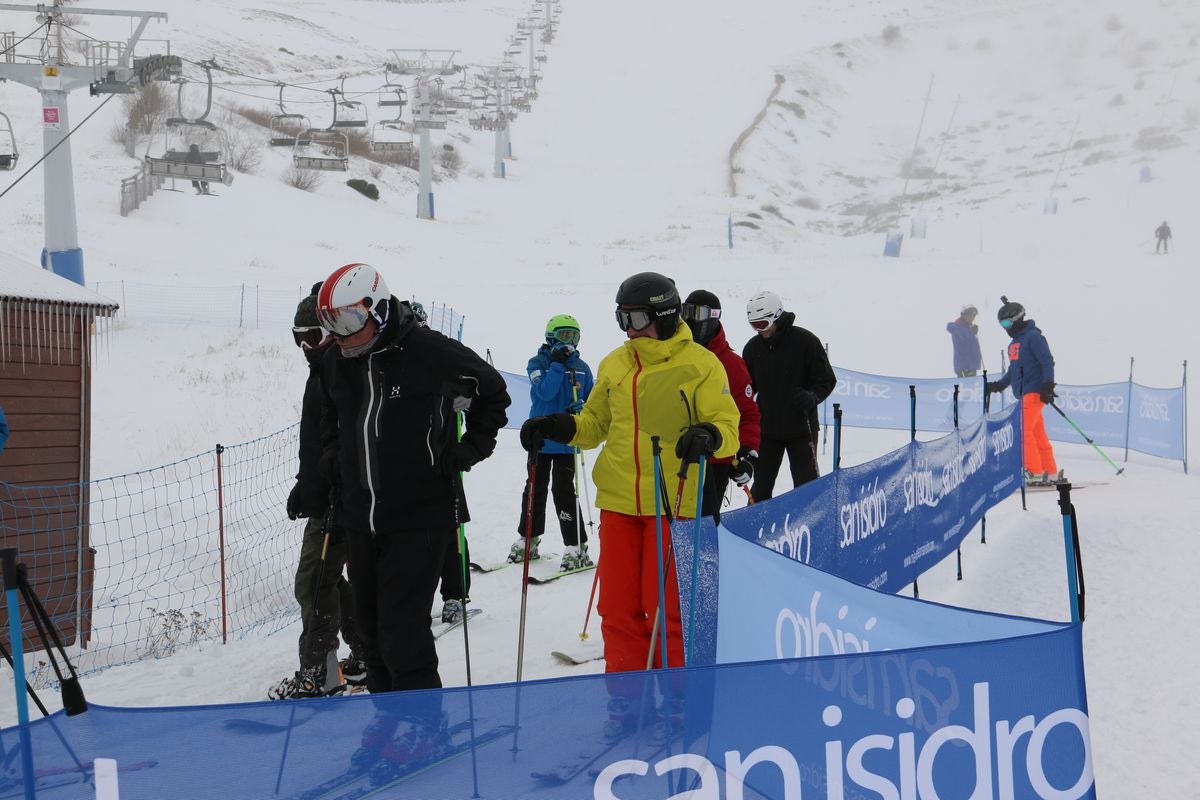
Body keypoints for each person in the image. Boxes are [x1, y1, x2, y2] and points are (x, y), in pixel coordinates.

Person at [519, 272, 739, 736]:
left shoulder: (700, 365)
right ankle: (629, 700)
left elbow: (728, 424)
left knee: (667, 609)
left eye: (635, 317)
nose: (627, 328)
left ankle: (680, 697)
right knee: (618, 607)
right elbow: (595, 423)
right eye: (621, 317)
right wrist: (559, 426)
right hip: (619, 500)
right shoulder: (615, 364)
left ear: (662, 314)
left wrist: (710, 435)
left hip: (673, 500)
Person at [317, 264, 509, 724]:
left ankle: (424, 725)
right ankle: (391, 719)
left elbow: (494, 395)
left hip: (420, 514)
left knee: (402, 630)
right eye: (330, 324)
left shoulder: (428, 352)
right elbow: (329, 419)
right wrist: (331, 467)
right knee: (369, 631)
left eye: (346, 320)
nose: (339, 335)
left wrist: (465, 452)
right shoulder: (334, 363)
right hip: (360, 517)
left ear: (378, 309)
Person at [270, 284, 365, 700]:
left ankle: (319, 673)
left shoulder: (338, 371)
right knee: (330, 578)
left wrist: (324, 491)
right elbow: (318, 442)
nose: (306, 347)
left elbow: (344, 444)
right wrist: (305, 486)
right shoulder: (323, 370)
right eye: (298, 338)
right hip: (328, 494)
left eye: (313, 337)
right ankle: (365, 655)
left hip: (341, 498)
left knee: (312, 583)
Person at [508, 314, 596, 571]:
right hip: (541, 439)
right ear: (551, 336)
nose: (570, 341)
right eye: (564, 334)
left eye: (574, 335)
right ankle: (529, 538)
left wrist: (584, 407)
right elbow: (544, 392)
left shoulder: (583, 368)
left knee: (563, 490)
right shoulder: (538, 363)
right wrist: (557, 365)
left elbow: (593, 401)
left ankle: (576, 545)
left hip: (568, 439)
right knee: (535, 488)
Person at [741, 290, 836, 501]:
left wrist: (812, 397)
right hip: (767, 430)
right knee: (761, 486)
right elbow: (748, 388)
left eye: (763, 324)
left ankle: (809, 526)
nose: (759, 330)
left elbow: (827, 380)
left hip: (801, 428)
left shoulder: (806, 342)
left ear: (776, 316)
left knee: (806, 486)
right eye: (754, 325)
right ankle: (754, 528)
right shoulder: (752, 348)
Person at [680, 290, 761, 521]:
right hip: (675, 456)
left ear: (714, 317)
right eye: (686, 312)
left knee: (704, 522)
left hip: (714, 461)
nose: (691, 319)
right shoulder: (675, 356)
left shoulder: (731, 365)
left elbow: (747, 414)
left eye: (698, 313)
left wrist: (747, 453)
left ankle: (707, 556)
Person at [985, 296, 1063, 485]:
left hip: (1034, 391)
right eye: (1001, 324)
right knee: (1037, 433)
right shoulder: (1014, 344)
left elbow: (1046, 360)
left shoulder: (1033, 337)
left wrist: (1048, 384)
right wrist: (999, 385)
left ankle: (1034, 472)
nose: (1004, 327)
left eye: (1006, 322)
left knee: (1022, 431)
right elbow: (1013, 369)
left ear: (1017, 319)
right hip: (1023, 394)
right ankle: (1049, 471)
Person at [947, 304, 983, 377]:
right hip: (964, 366)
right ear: (963, 315)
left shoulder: (968, 327)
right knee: (966, 386)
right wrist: (971, 332)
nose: (972, 318)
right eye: (969, 315)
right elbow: (963, 337)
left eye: (973, 316)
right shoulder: (957, 327)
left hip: (971, 365)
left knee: (969, 387)